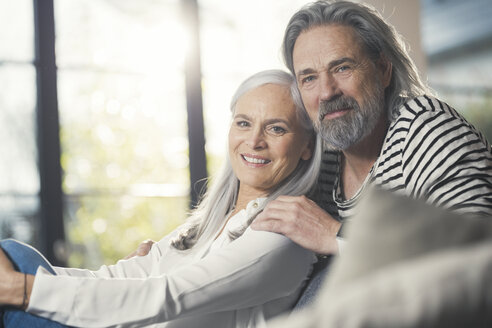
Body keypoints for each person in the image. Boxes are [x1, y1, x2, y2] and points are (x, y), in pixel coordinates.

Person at [0, 69, 323, 328]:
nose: (254, 141)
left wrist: (23, 289)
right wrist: (20, 283)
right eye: (243, 123)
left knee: (16, 270)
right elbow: (122, 276)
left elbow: (164, 296)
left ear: (307, 146)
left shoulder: (282, 236)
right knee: (13, 256)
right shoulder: (211, 223)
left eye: (277, 129)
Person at [251, 0, 492, 256]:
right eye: (309, 78)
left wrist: (334, 235)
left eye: (342, 68)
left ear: (383, 70)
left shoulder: (427, 129)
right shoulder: (322, 156)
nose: (326, 92)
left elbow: (476, 258)